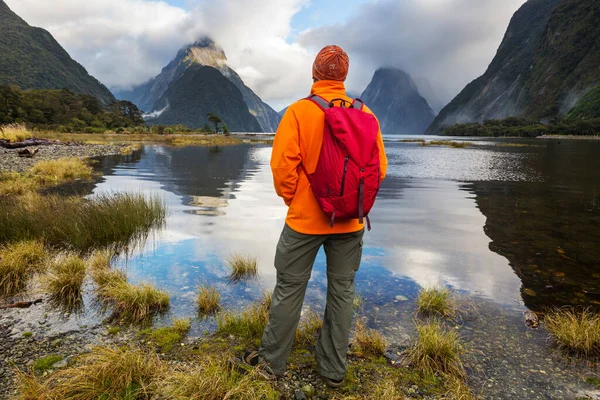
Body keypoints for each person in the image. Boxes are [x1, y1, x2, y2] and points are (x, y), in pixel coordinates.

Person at [244, 45, 388, 387]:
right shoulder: (366, 113)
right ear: (344, 76)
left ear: (314, 73)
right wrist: (350, 202)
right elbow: (379, 169)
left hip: (305, 222)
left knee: (289, 289)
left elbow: (282, 170)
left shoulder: (298, 112)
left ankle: (272, 363)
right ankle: (333, 369)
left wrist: (298, 201)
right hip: (351, 221)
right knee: (342, 291)